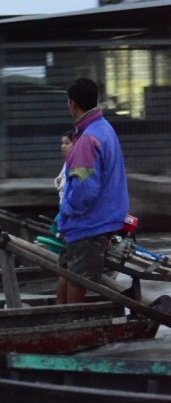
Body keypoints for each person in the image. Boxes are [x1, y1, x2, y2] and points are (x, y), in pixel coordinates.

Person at [56, 78, 129, 304]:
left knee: (78, 279)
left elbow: (84, 191)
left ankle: (69, 327)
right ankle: (61, 321)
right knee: (68, 272)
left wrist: (67, 210)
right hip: (100, 219)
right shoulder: (105, 129)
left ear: (73, 104)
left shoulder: (88, 139)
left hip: (89, 223)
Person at [54, 128, 75, 204]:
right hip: (63, 203)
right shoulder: (66, 163)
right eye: (62, 143)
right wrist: (59, 180)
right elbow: (58, 181)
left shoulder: (77, 163)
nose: (63, 146)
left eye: (67, 143)